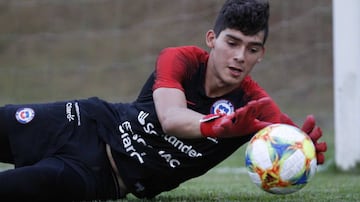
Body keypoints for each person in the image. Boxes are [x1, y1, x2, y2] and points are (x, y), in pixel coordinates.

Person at [0, 0, 327, 201]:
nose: (239, 56)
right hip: (82, 123)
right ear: (212, 39)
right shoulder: (181, 59)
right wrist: (218, 127)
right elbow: (171, 117)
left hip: (104, 179)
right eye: (232, 42)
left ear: (261, 55)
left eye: (252, 49)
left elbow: (289, 138)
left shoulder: (255, 108)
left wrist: (303, 146)